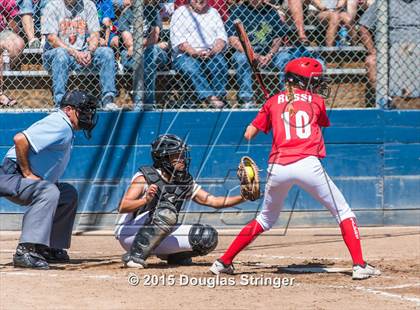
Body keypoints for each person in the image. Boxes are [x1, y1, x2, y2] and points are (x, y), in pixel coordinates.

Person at [210, 57, 381, 280]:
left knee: (265, 219)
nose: (317, 85)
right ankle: (359, 265)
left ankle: (223, 262)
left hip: (277, 167)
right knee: (344, 212)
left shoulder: (272, 101)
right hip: (307, 163)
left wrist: (269, 110)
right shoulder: (317, 101)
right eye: (313, 81)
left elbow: (248, 133)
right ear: (299, 81)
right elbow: (317, 121)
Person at [0, 90, 98, 269]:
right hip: (10, 175)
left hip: (17, 176)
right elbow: (20, 139)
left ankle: (49, 247)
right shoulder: (59, 123)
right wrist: (27, 172)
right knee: (49, 191)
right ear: (68, 110)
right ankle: (26, 250)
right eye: (83, 111)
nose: (88, 115)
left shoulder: (65, 126)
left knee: (66, 194)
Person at [117, 134, 247, 268]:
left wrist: (244, 197)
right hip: (130, 233)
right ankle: (134, 256)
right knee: (166, 213)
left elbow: (213, 201)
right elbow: (123, 206)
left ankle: (174, 257)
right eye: (176, 155)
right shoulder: (145, 177)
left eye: (182, 155)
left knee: (206, 237)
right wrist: (145, 200)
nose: (182, 159)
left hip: (160, 232)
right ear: (163, 158)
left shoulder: (183, 180)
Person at [226, 0, 321, 107]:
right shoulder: (239, 11)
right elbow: (232, 39)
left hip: (268, 52)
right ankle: (246, 99)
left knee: (286, 57)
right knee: (242, 59)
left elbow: (278, 37)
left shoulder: (270, 11)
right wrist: (252, 54)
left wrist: (270, 54)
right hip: (246, 52)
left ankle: (286, 97)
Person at [41, 0, 118, 110]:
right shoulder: (52, 5)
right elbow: (52, 39)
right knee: (61, 54)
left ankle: (108, 100)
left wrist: (90, 51)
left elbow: (95, 34)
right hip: (56, 55)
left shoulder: (88, 5)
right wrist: (74, 52)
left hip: (82, 52)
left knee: (107, 52)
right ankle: (60, 103)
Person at [170, 0, 228, 108]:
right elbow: (179, 41)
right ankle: (210, 98)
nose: (199, 1)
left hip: (210, 53)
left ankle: (220, 96)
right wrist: (194, 52)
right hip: (185, 54)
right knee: (190, 67)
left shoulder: (213, 12)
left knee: (220, 63)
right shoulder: (180, 12)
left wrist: (213, 51)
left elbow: (222, 38)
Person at [119, 1, 170, 109]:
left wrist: (137, 46)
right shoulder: (126, 14)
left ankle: (146, 100)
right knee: (152, 51)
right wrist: (145, 44)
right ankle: (146, 101)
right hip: (131, 58)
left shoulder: (152, 11)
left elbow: (154, 38)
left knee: (152, 51)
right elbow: (128, 42)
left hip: (153, 54)